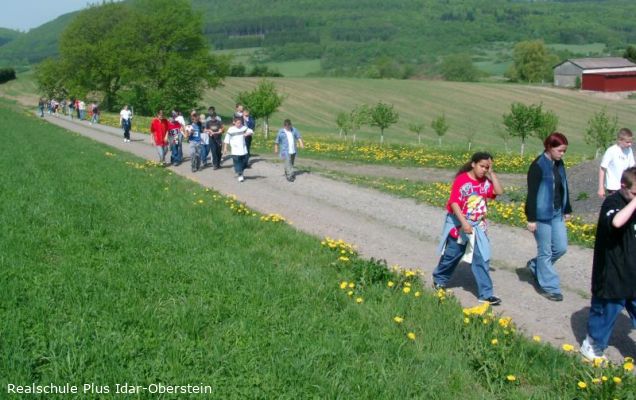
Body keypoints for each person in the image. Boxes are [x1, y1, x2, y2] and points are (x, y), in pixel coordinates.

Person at [431, 152, 504, 305]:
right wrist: (464, 224)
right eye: (482, 166)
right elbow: (454, 203)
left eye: (487, 167)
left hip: (478, 226)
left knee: (481, 257)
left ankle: (486, 294)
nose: (484, 169)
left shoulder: (485, 182)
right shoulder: (462, 180)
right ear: (473, 164)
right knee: (453, 255)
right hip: (459, 223)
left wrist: (492, 174)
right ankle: (439, 279)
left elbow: (498, 192)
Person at [580, 167, 636, 362]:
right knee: (606, 311)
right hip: (613, 273)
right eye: (635, 193)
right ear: (623, 186)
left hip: (633, 272)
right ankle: (592, 345)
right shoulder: (612, 203)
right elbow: (617, 222)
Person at [525, 132, 572, 302]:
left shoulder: (559, 164)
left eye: (564, 151)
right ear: (549, 147)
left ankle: (535, 265)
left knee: (560, 247)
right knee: (545, 251)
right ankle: (549, 287)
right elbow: (532, 194)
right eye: (560, 150)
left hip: (557, 212)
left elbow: (563, 187)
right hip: (541, 216)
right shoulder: (537, 166)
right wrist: (531, 219)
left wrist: (567, 209)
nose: (562, 154)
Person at [597, 128, 634, 198]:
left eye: (631, 142)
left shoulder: (629, 150)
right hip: (613, 187)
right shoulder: (611, 151)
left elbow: (632, 168)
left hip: (625, 186)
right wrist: (601, 188)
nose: (630, 144)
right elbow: (602, 168)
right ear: (620, 140)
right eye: (627, 142)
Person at [223, 115, 252, 182]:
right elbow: (226, 139)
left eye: (240, 123)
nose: (239, 124)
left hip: (243, 149)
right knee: (237, 162)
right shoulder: (231, 129)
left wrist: (247, 134)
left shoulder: (243, 128)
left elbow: (251, 131)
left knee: (245, 162)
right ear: (234, 122)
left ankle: (239, 171)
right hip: (235, 150)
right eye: (238, 123)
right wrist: (225, 148)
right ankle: (240, 174)